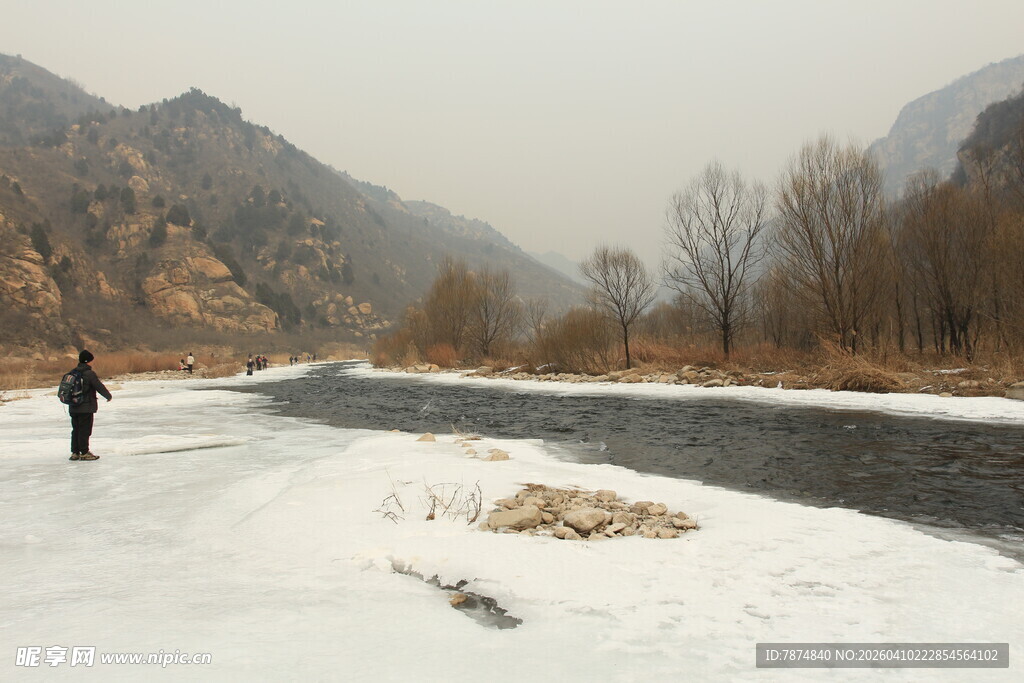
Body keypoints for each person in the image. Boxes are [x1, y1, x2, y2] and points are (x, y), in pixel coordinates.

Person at [68, 349, 112, 461]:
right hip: (85, 407)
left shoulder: (72, 372)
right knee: (85, 430)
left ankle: (75, 452)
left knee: (76, 429)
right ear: (88, 361)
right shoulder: (89, 374)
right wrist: (108, 396)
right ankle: (84, 452)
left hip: (73, 406)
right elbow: (99, 386)